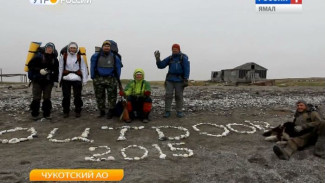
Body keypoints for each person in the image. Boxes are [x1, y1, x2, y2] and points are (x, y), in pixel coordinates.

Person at [154, 44, 190, 118]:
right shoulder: (170, 58)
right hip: (170, 80)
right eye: (173, 49)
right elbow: (161, 66)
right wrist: (158, 59)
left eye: (176, 49)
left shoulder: (183, 58)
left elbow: (187, 68)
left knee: (179, 96)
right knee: (168, 95)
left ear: (179, 49)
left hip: (180, 80)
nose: (174, 50)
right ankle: (167, 111)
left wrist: (186, 79)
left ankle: (179, 111)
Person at [90, 40, 122, 119]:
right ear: (102, 47)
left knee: (112, 96)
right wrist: (93, 77)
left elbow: (118, 68)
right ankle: (102, 111)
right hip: (98, 78)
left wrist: (116, 78)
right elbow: (92, 66)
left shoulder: (115, 57)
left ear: (110, 48)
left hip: (110, 79)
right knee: (99, 96)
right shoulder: (95, 56)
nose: (106, 47)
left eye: (108, 46)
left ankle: (111, 111)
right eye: (105, 46)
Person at [28, 42, 59, 120]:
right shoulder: (38, 56)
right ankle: (35, 114)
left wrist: (56, 81)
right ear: (45, 48)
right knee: (36, 97)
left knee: (47, 97)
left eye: (51, 48)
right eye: (48, 48)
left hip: (48, 81)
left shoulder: (54, 59)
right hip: (37, 80)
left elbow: (56, 71)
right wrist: (39, 70)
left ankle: (47, 114)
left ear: (53, 49)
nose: (49, 49)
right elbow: (30, 66)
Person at [58, 42, 88, 118]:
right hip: (66, 79)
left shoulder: (80, 57)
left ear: (76, 49)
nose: (73, 49)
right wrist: (59, 79)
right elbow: (60, 68)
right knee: (66, 96)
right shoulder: (63, 57)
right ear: (69, 48)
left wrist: (84, 79)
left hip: (77, 79)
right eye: (71, 48)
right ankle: (66, 111)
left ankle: (78, 111)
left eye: (74, 48)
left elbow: (83, 68)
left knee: (77, 96)